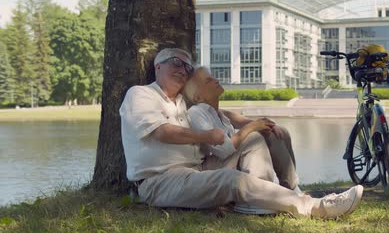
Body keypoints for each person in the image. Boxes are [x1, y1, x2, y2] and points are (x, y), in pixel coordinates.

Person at [119, 47, 363, 219]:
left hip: (198, 171)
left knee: (256, 138)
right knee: (231, 180)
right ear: (157, 66)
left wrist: (256, 123)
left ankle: (269, 199)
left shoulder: (183, 103)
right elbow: (162, 132)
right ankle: (314, 207)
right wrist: (206, 137)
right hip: (159, 181)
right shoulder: (140, 94)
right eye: (176, 62)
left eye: (187, 65)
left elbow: (220, 113)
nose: (183, 69)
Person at [182, 66, 299, 191]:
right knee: (253, 137)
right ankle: (261, 191)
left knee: (279, 132)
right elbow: (223, 150)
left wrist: (267, 125)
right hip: (208, 170)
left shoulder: (218, 113)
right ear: (198, 98)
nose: (216, 80)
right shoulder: (196, 112)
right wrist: (252, 127)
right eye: (208, 81)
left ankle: (291, 188)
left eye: (213, 77)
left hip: (225, 162)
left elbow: (241, 121)